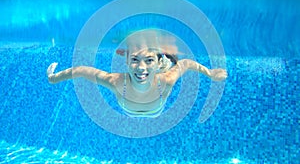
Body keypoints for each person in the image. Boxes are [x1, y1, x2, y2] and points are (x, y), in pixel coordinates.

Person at [47, 30, 227, 118]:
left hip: (155, 110)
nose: (141, 68)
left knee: (168, 63)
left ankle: (161, 58)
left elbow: (186, 63)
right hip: (133, 111)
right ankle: (151, 56)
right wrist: (54, 78)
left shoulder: (165, 80)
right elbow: (80, 70)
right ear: (126, 63)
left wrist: (210, 73)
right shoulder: (116, 81)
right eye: (134, 60)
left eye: (149, 61)